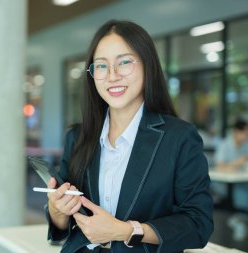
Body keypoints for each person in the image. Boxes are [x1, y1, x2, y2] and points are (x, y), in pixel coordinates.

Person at [45, 20, 213, 253]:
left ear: (148, 65)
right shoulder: (78, 137)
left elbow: (198, 224)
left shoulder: (179, 138)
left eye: (124, 62)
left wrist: (125, 231)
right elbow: (62, 227)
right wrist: (57, 210)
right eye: (101, 66)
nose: (112, 76)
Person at [214, 119, 248, 241]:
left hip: (243, 182)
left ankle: (240, 219)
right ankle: (238, 220)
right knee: (243, 197)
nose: (247, 137)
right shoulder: (225, 145)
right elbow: (220, 167)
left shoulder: (247, 145)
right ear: (237, 132)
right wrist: (237, 163)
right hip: (225, 184)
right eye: (245, 133)